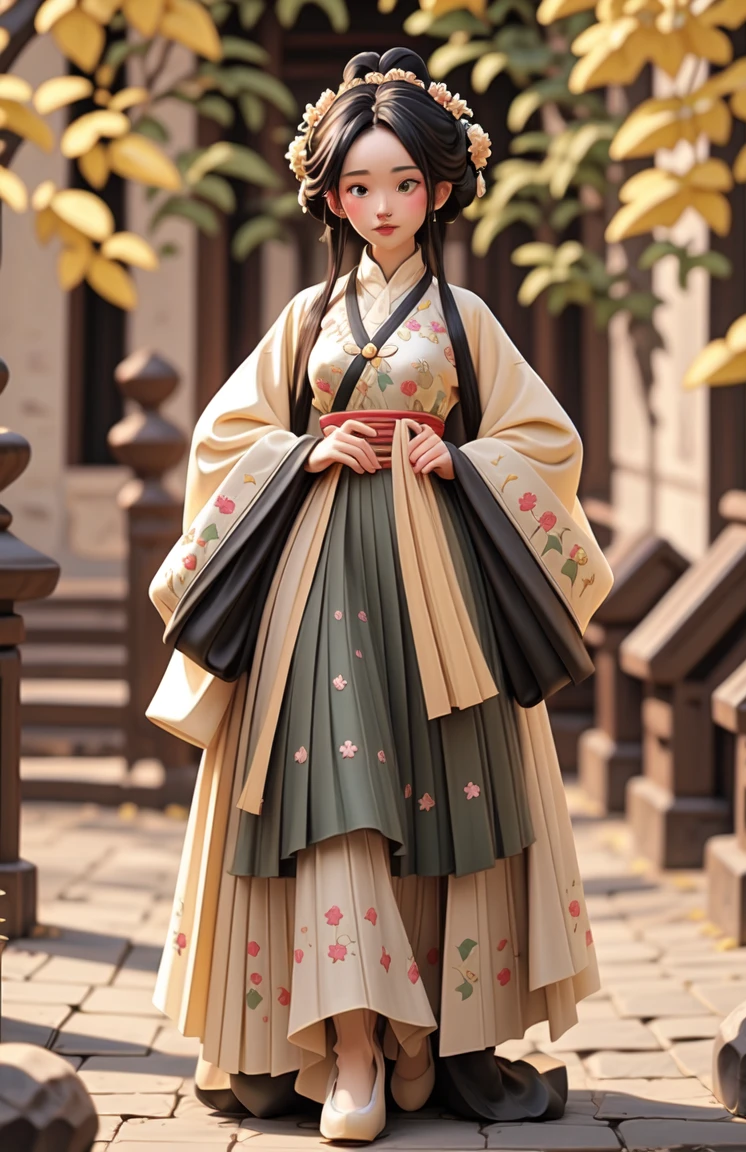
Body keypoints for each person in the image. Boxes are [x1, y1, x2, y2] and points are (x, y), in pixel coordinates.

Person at [146, 46, 613, 1144]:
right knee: (333, 795)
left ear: (440, 190)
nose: (382, 205)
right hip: (320, 570)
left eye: (403, 183)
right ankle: (351, 1047)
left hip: (439, 572)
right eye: (359, 186)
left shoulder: (467, 321)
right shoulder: (312, 313)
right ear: (333, 195)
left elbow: (545, 440)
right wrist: (301, 454)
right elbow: (226, 438)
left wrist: (469, 462)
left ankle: (425, 1038)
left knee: (440, 794)